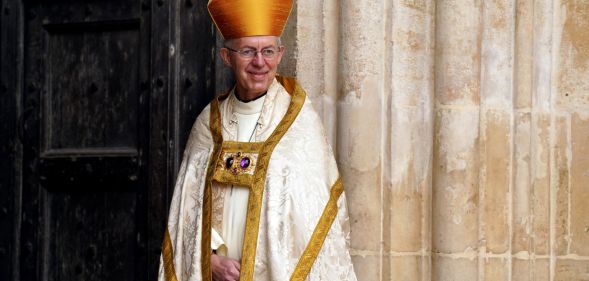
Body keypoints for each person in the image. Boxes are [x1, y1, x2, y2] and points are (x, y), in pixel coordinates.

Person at [158, 0, 357, 280]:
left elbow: (313, 219)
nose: (260, 62)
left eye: (268, 51)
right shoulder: (208, 123)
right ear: (227, 57)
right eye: (248, 51)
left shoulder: (299, 122)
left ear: (280, 54)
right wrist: (210, 259)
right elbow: (188, 211)